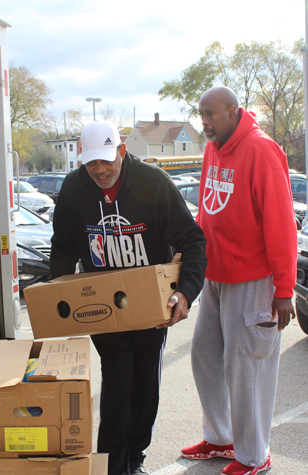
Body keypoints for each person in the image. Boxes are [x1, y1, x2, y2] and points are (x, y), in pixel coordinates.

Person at [50, 120, 208, 475]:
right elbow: (61, 249)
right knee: (118, 383)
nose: (100, 170)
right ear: (81, 161)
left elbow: (193, 242)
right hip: (102, 307)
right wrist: (58, 301)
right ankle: (111, 466)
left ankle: (134, 457)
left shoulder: (154, 184)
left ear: (122, 150)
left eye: (106, 160)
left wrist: (185, 293)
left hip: (152, 307)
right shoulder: (75, 191)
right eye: (91, 163)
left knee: (144, 385)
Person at [181, 86, 297, 475]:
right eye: (201, 114)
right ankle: (221, 437)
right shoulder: (214, 148)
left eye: (211, 114)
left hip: (253, 279)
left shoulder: (262, 150)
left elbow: (282, 226)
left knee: (247, 366)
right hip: (216, 274)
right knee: (206, 355)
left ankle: (253, 455)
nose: (205, 122)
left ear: (233, 110)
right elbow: (206, 210)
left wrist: (283, 290)